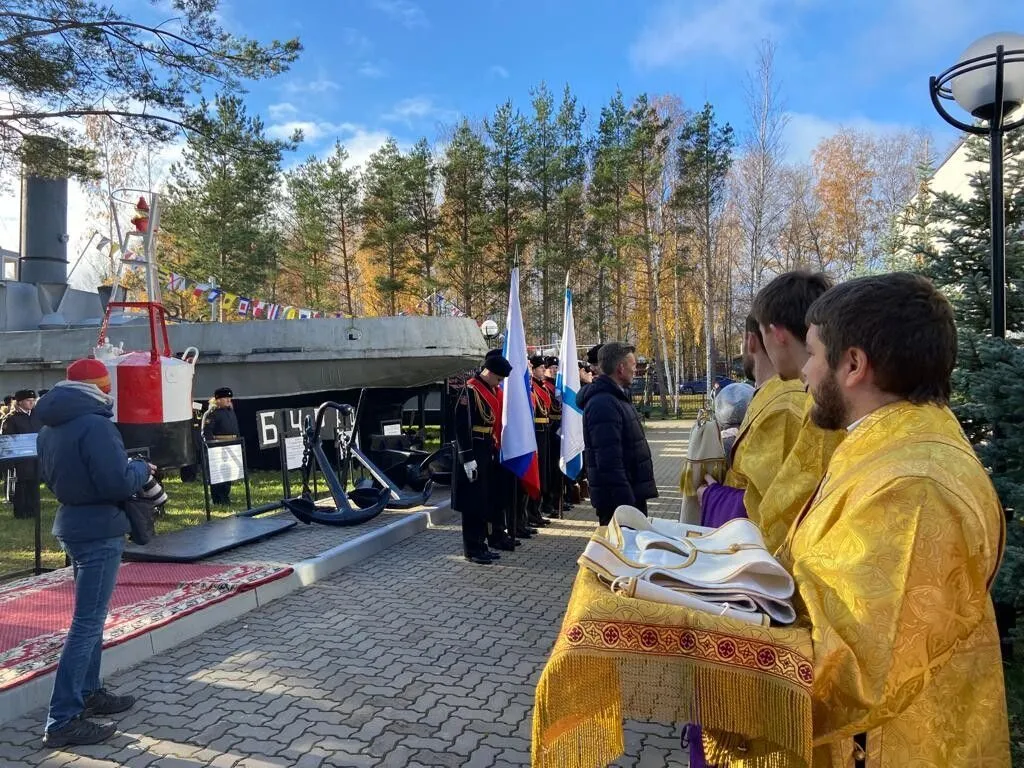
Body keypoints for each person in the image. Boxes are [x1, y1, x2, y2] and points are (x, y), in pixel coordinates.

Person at [779, 273, 1009, 765]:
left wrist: (709, 644)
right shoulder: (886, 444)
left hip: (888, 747)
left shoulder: (915, 485)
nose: (804, 372)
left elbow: (857, 672)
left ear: (854, 364)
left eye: (814, 354)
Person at [35, 358, 152, 747]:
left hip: (72, 524)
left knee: (92, 619)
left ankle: (89, 692)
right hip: (100, 530)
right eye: (107, 385)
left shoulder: (50, 427)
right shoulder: (96, 425)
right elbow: (116, 483)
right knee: (86, 624)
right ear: (99, 387)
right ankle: (62, 718)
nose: (110, 391)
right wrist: (142, 469)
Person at [699, 272, 843, 553]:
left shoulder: (795, 404)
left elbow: (782, 512)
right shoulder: (804, 395)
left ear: (774, 334)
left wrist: (713, 496)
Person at [578, 342, 657, 525]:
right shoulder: (603, 403)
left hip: (629, 496)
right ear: (621, 368)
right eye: (633, 365)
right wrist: (625, 502)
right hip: (619, 502)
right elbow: (608, 460)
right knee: (617, 552)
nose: (635, 370)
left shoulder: (616, 397)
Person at [452, 351, 513, 563]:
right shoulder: (470, 391)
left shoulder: (489, 389)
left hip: (486, 447)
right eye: (498, 378)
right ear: (488, 372)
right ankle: (472, 548)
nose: (499, 383)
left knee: (484, 498)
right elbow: (461, 426)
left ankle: (481, 543)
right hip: (473, 449)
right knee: (472, 501)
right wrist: (466, 457)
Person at [2, 388, 40, 520]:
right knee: (21, 484)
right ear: (20, 402)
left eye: (33, 400)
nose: (31, 403)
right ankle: (21, 512)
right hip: (20, 457)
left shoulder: (37, 415)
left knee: (34, 484)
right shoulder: (12, 419)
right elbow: (8, 439)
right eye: (28, 401)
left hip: (35, 455)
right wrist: (10, 461)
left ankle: (33, 510)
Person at [203, 387, 240, 505]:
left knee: (228, 474)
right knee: (218, 475)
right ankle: (218, 499)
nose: (229, 400)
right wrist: (213, 447)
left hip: (231, 446)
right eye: (226, 398)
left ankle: (225, 497)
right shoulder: (212, 413)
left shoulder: (230, 411)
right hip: (219, 447)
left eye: (230, 398)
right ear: (218, 399)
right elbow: (206, 432)